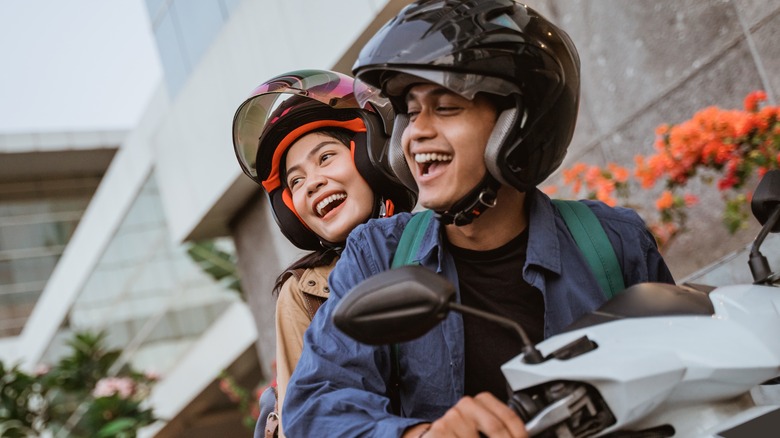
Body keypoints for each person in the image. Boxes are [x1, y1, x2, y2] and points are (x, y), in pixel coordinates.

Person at [283, 1, 675, 437]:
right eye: (411, 113)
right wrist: (425, 436)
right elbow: (316, 405)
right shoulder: (378, 255)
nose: (416, 132)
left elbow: (686, 376)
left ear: (518, 124)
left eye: (446, 107)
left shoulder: (614, 242)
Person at [231, 69, 417, 437]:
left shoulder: (438, 238)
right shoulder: (304, 293)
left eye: (325, 157)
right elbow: (306, 418)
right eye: (295, 180)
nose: (312, 182)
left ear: (370, 154)